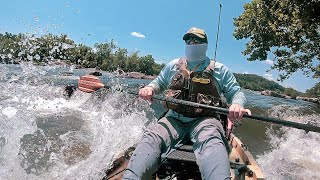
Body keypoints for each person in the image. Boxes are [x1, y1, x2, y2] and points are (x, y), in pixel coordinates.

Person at [123, 27, 251, 180]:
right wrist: (150, 88)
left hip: (206, 121)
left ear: (205, 45)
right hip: (174, 119)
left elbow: (237, 93)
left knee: (213, 143)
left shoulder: (220, 70)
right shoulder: (173, 65)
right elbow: (159, 83)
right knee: (152, 136)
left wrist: (237, 104)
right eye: (188, 40)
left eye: (196, 40)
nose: (192, 43)